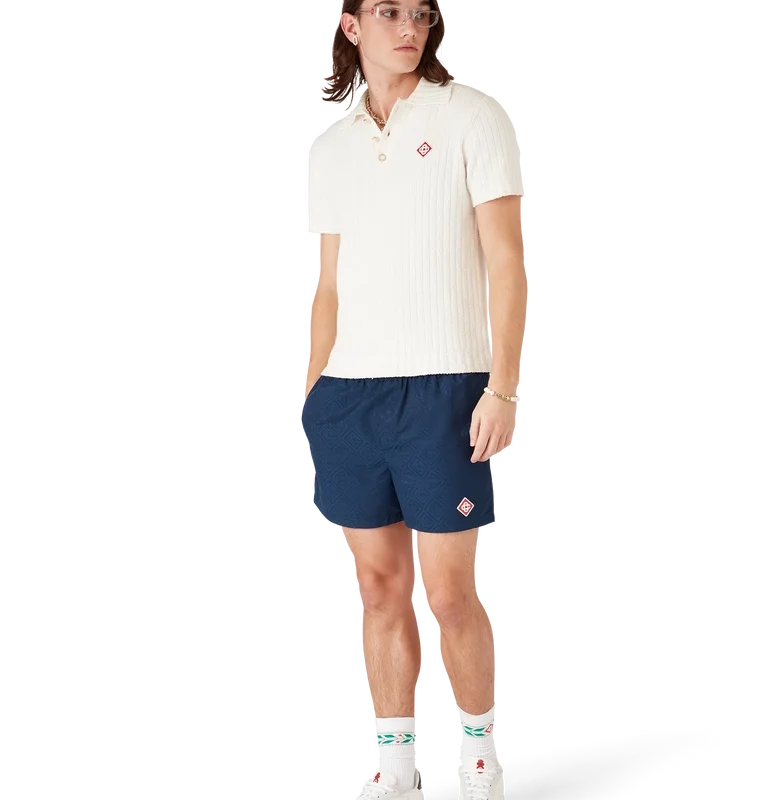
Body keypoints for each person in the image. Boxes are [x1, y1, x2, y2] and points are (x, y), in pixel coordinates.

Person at [303, 1, 527, 797]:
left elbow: (507, 262)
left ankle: (481, 762)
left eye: (422, 14)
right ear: (351, 25)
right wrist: (312, 387)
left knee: (451, 590)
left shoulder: (472, 114)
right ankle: (396, 766)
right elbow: (328, 284)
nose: (409, 28)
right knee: (378, 588)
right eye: (389, 12)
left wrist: (503, 387)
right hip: (348, 395)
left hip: (445, 388)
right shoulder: (332, 143)